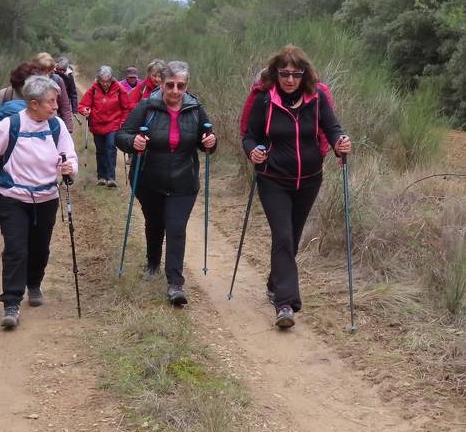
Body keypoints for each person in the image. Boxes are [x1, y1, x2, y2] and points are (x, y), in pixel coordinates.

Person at [241, 45, 351, 329]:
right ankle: (285, 304)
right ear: (275, 74)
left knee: (292, 238)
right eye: (284, 74)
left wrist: (341, 143)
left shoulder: (316, 100)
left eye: (296, 74)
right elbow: (249, 136)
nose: (290, 79)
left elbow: (332, 128)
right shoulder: (265, 101)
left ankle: (274, 282)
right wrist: (252, 151)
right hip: (273, 179)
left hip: (310, 180)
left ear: (305, 75)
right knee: (284, 236)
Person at [0, 76, 78, 329]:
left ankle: (34, 283)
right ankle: (11, 302)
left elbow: (70, 156)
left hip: (46, 198)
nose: (56, 107)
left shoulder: (56, 127)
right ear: (34, 104)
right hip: (13, 198)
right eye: (51, 102)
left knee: (40, 248)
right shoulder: (10, 125)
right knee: (15, 250)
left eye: (56, 102)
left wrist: (69, 167)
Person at [116, 61, 217, 307]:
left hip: (184, 181)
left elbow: (208, 142)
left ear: (187, 85)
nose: (174, 91)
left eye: (180, 86)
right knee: (154, 222)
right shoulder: (147, 106)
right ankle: (152, 262)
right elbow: (122, 135)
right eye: (170, 85)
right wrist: (133, 142)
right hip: (149, 180)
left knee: (175, 227)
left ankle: (175, 284)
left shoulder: (195, 108)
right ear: (161, 83)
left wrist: (211, 142)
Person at [79, 65, 131, 187]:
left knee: (111, 147)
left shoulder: (119, 88)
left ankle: (111, 177)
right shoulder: (94, 89)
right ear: (98, 80)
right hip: (97, 124)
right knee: (100, 150)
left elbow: (126, 107)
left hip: (113, 123)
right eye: (103, 81)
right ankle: (101, 177)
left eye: (108, 81)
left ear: (111, 79)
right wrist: (85, 110)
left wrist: (123, 121)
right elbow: (82, 105)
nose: (105, 84)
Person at [34, 52, 75, 126]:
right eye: (42, 70)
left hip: (53, 122)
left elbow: (65, 106)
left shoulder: (57, 80)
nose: (45, 74)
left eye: (48, 70)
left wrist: (68, 128)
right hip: (33, 122)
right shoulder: (30, 81)